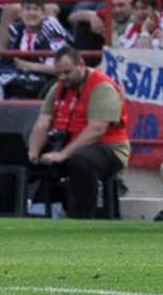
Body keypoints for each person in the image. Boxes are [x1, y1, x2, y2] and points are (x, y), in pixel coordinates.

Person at [26, 45, 130, 219]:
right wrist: (33, 152)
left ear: (81, 64)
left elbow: (96, 130)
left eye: (67, 72)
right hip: (68, 144)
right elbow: (43, 122)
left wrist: (62, 155)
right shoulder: (58, 88)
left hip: (109, 149)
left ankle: (83, 217)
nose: (62, 78)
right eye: (58, 73)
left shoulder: (102, 87)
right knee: (16, 158)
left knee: (81, 160)